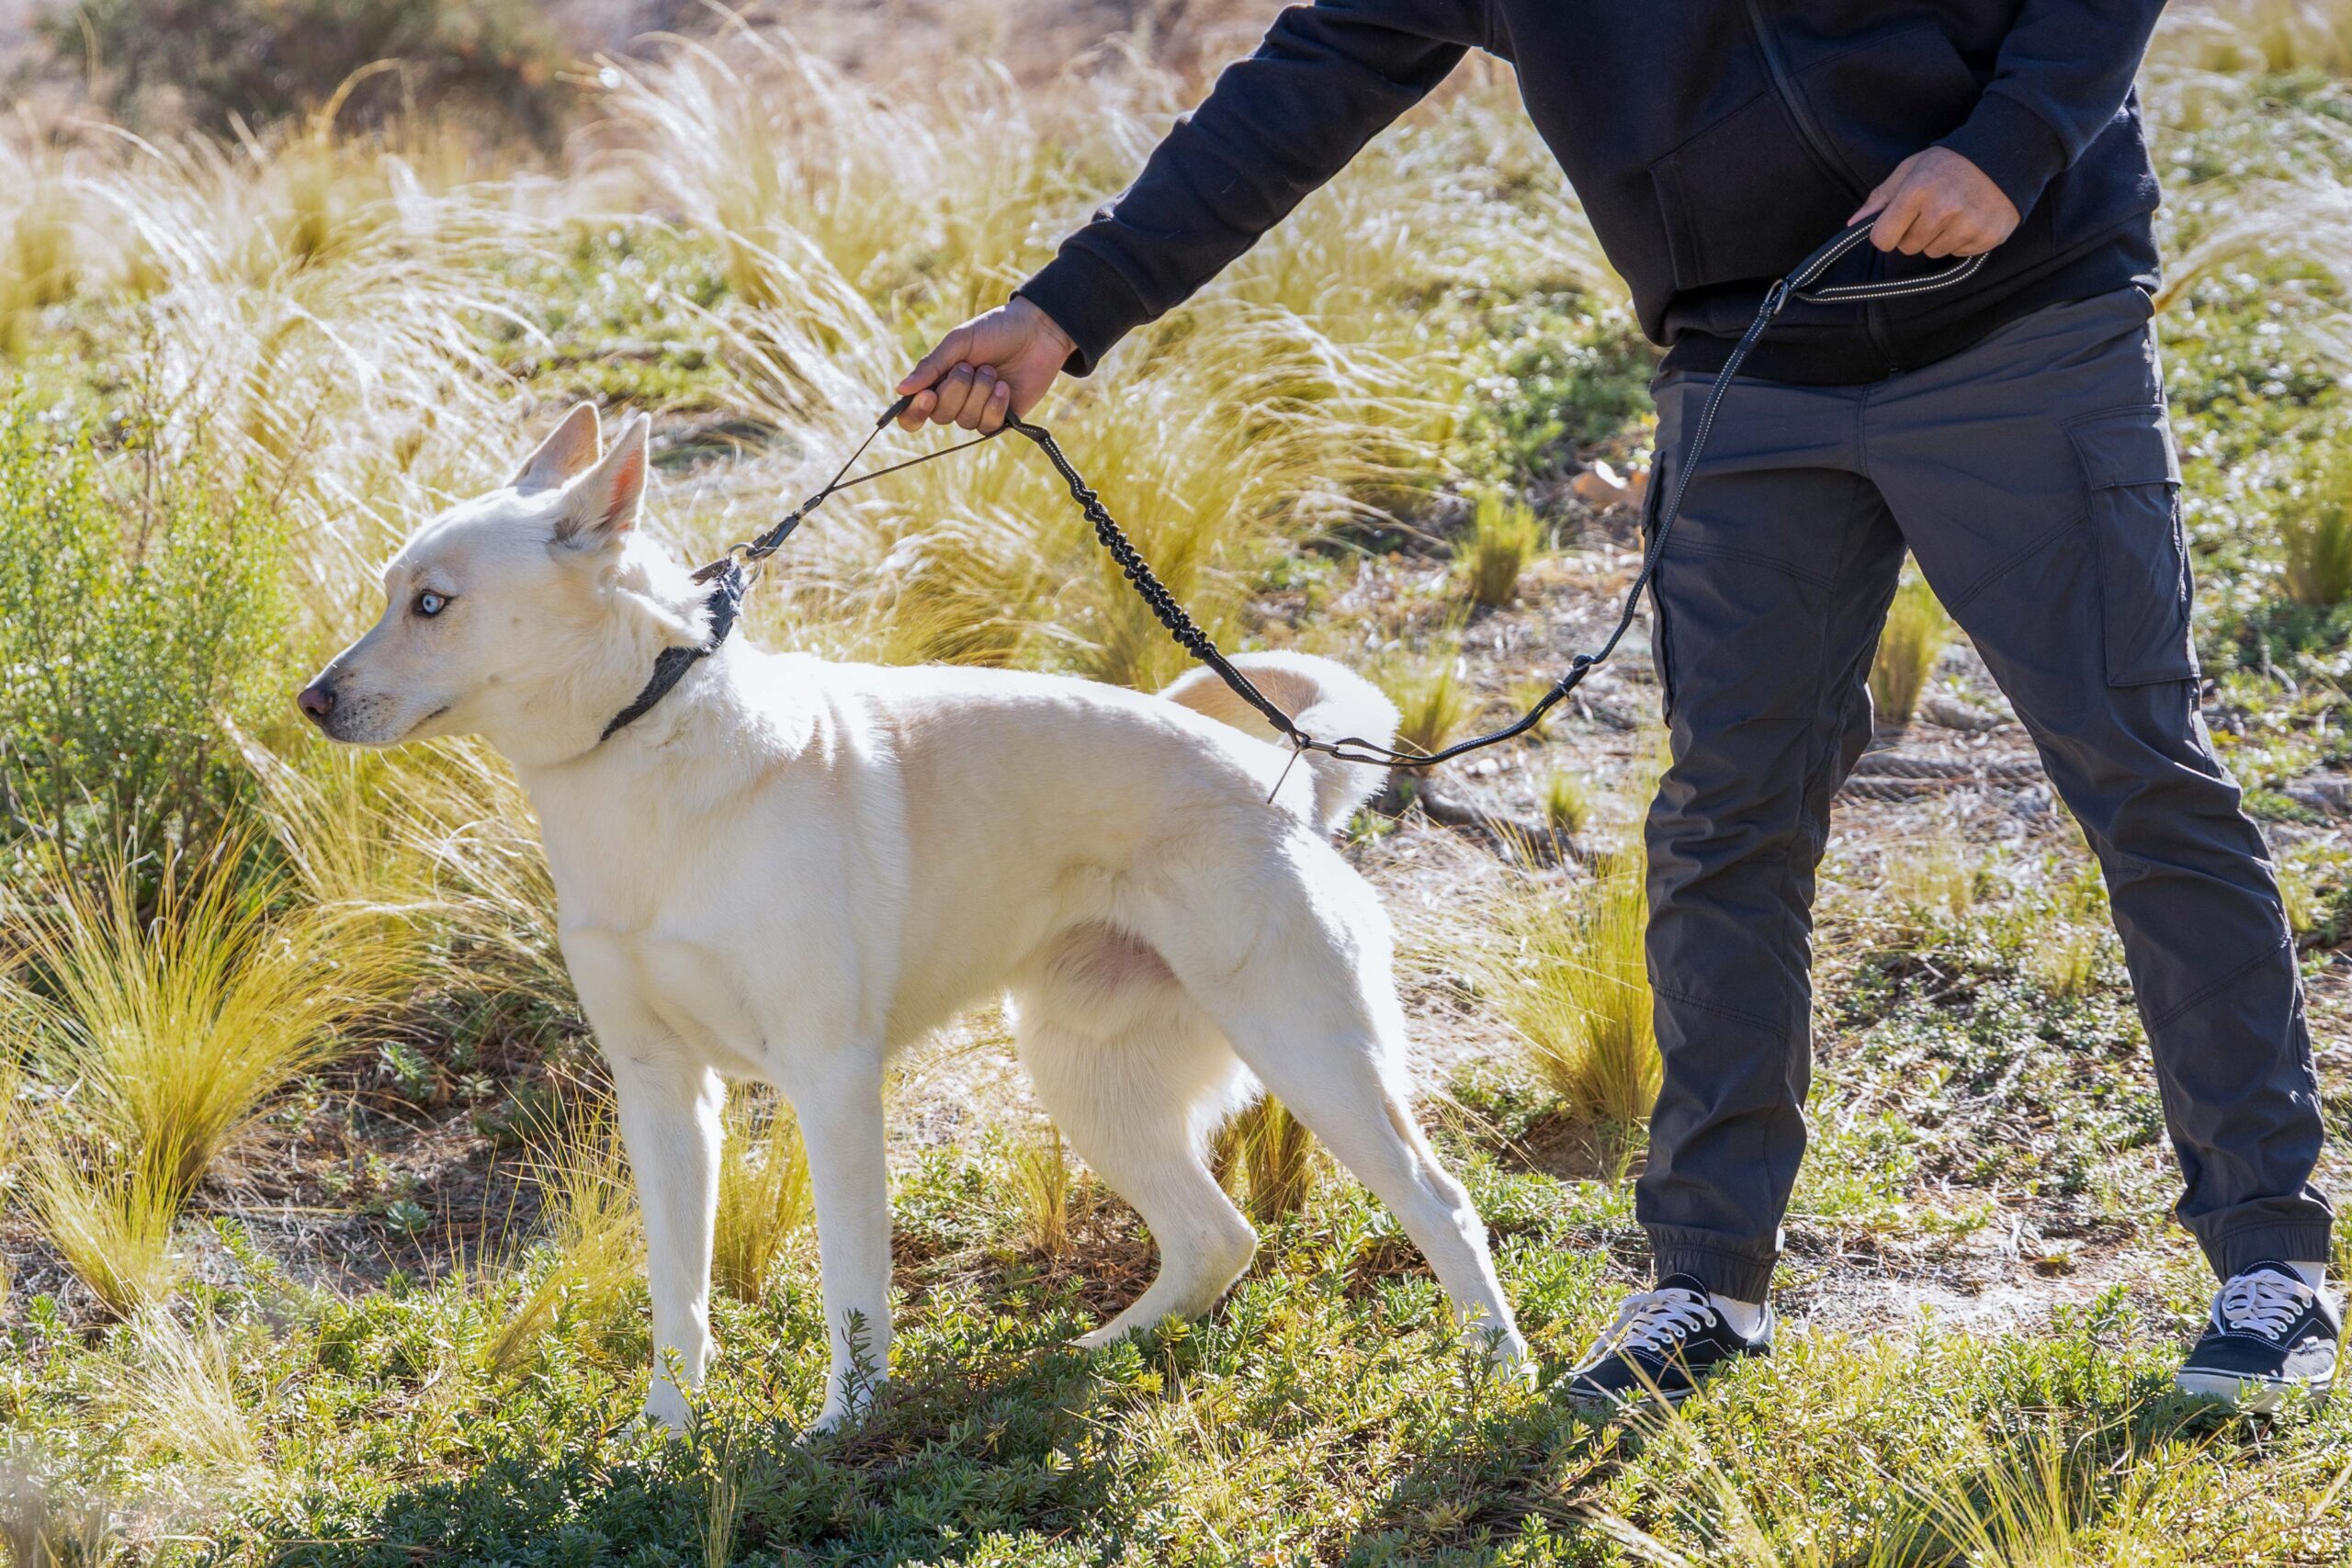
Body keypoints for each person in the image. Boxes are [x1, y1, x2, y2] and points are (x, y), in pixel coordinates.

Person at [895, 1, 2338, 1411]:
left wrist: (2012, 143)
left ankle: (2271, 1263)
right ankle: (1707, 1282)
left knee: (2141, 778)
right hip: (1748, 365)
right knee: (1726, 823)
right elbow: (1311, 76)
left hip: (2025, 321)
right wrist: (1067, 310)